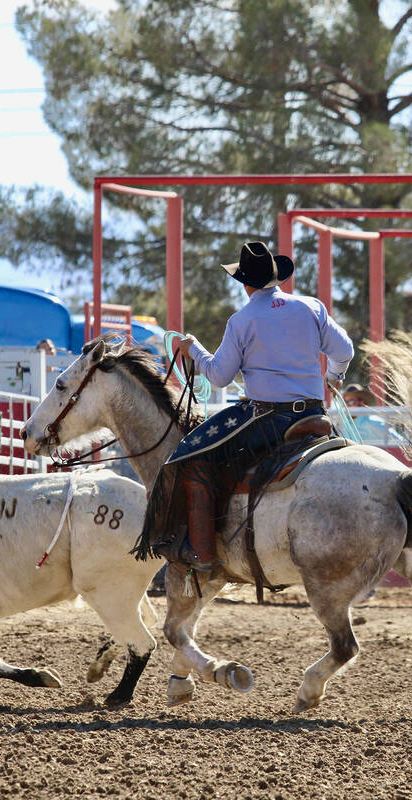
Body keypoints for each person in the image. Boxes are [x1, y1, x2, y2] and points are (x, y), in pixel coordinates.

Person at [148, 241, 354, 573]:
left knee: (192, 457)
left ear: (245, 284)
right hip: (315, 414)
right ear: (277, 278)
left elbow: (218, 375)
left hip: (269, 418)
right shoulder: (312, 308)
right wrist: (334, 376)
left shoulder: (241, 321)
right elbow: (344, 350)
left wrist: (194, 350)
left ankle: (202, 552)